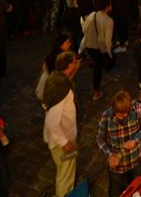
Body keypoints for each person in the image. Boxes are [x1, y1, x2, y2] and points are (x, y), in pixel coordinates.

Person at [96, 90, 141, 197]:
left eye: (125, 114)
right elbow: (100, 138)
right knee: (115, 192)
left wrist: (135, 140)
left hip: (136, 160)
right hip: (117, 165)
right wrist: (109, 155)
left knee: (136, 189)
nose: (122, 116)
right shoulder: (106, 116)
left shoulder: (138, 108)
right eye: (119, 114)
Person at [42, 51, 79, 197]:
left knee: (63, 172)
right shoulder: (62, 89)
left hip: (57, 138)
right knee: (65, 178)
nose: (76, 65)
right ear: (69, 65)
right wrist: (64, 142)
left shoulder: (55, 79)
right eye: (75, 62)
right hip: (62, 140)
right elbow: (52, 121)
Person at [80, 0, 115, 102]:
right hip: (99, 49)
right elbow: (108, 41)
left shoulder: (92, 15)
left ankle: (92, 62)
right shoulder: (109, 21)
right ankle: (96, 92)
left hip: (89, 46)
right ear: (108, 7)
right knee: (97, 69)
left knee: (96, 65)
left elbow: (84, 29)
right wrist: (109, 54)